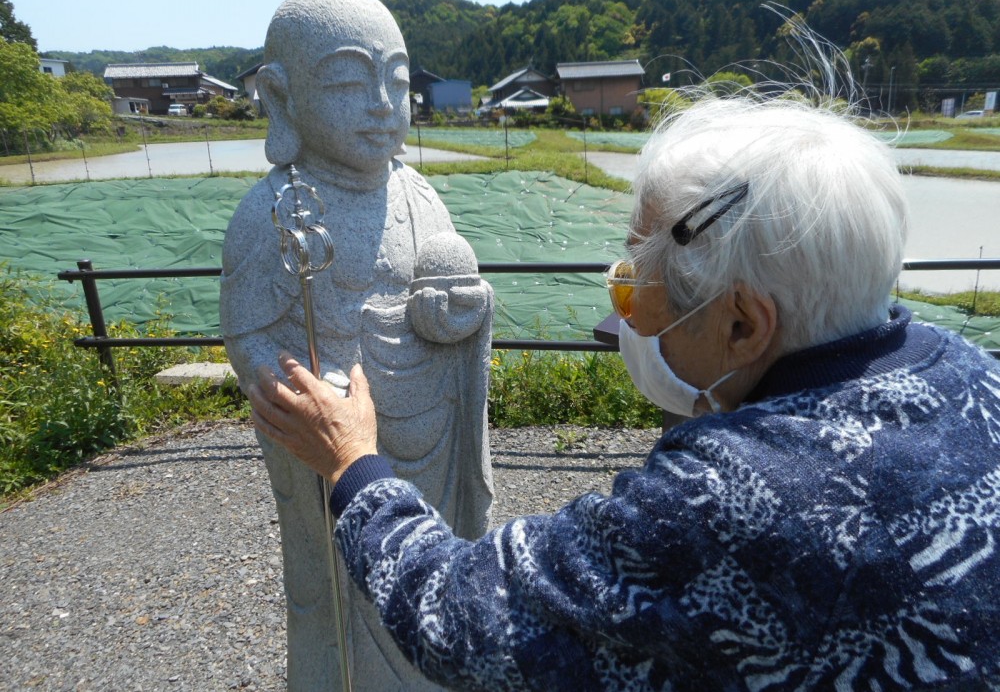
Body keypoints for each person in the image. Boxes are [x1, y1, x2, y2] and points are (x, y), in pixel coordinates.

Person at [248, 82, 1000, 690]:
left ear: (743, 325)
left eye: (635, 291)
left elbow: (466, 619)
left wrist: (355, 465)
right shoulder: (979, 376)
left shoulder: (728, 497)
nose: (625, 317)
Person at [220, 0, 493, 690]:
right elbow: (247, 339)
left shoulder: (418, 194)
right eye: (348, 81)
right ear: (281, 99)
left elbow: (450, 288)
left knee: (436, 580)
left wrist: (461, 313)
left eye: (396, 82)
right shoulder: (273, 212)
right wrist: (303, 392)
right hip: (332, 447)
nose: (380, 103)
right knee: (345, 605)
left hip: (431, 439)